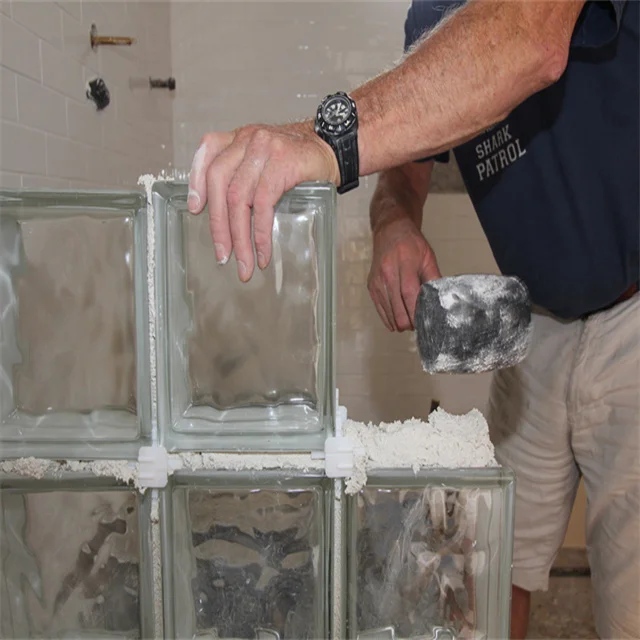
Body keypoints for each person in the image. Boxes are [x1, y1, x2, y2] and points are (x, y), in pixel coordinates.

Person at [186, 0, 639, 637]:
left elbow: (531, 36)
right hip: (535, 321)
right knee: (490, 569)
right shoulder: (431, 13)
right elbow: (408, 164)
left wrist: (326, 139)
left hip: (633, 315)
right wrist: (394, 219)